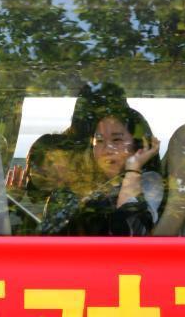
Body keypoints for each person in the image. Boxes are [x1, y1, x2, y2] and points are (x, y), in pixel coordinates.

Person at [53, 100, 162, 236]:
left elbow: (130, 232)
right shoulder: (90, 184)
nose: (106, 149)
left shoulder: (148, 180)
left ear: (139, 145)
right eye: (99, 141)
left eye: (117, 140)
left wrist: (133, 170)